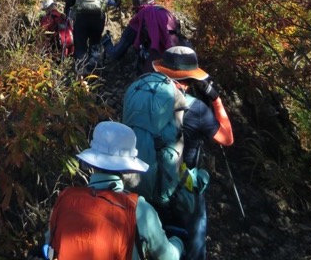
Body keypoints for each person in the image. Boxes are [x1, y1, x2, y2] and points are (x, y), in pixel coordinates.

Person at [44, 121, 184, 260]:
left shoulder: (66, 200)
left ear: (92, 163)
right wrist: (179, 243)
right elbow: (169, 257)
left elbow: (50, 244)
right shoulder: (139, 209)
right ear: (129, 169)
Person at [152, 46, 234, 260]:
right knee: (194, 244)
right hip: (182, 183)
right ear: (191, 77)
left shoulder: (149, 96)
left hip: (148, 178)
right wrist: (215, 100)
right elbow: (227, 138)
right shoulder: (196, 109)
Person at [65, 0, 125, 70]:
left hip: (81, 16)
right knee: (95, 44)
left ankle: (81, 73)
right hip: (98, 16)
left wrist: (67, 13)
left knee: (80, 45)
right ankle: (93, 72)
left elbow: (70, 0)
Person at [104, 0, 182, 73]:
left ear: (137, 6)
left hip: (156, 62)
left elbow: (117, 52)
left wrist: (106, 41)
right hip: (178, 56)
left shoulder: (140, 16)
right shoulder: (165, 12)